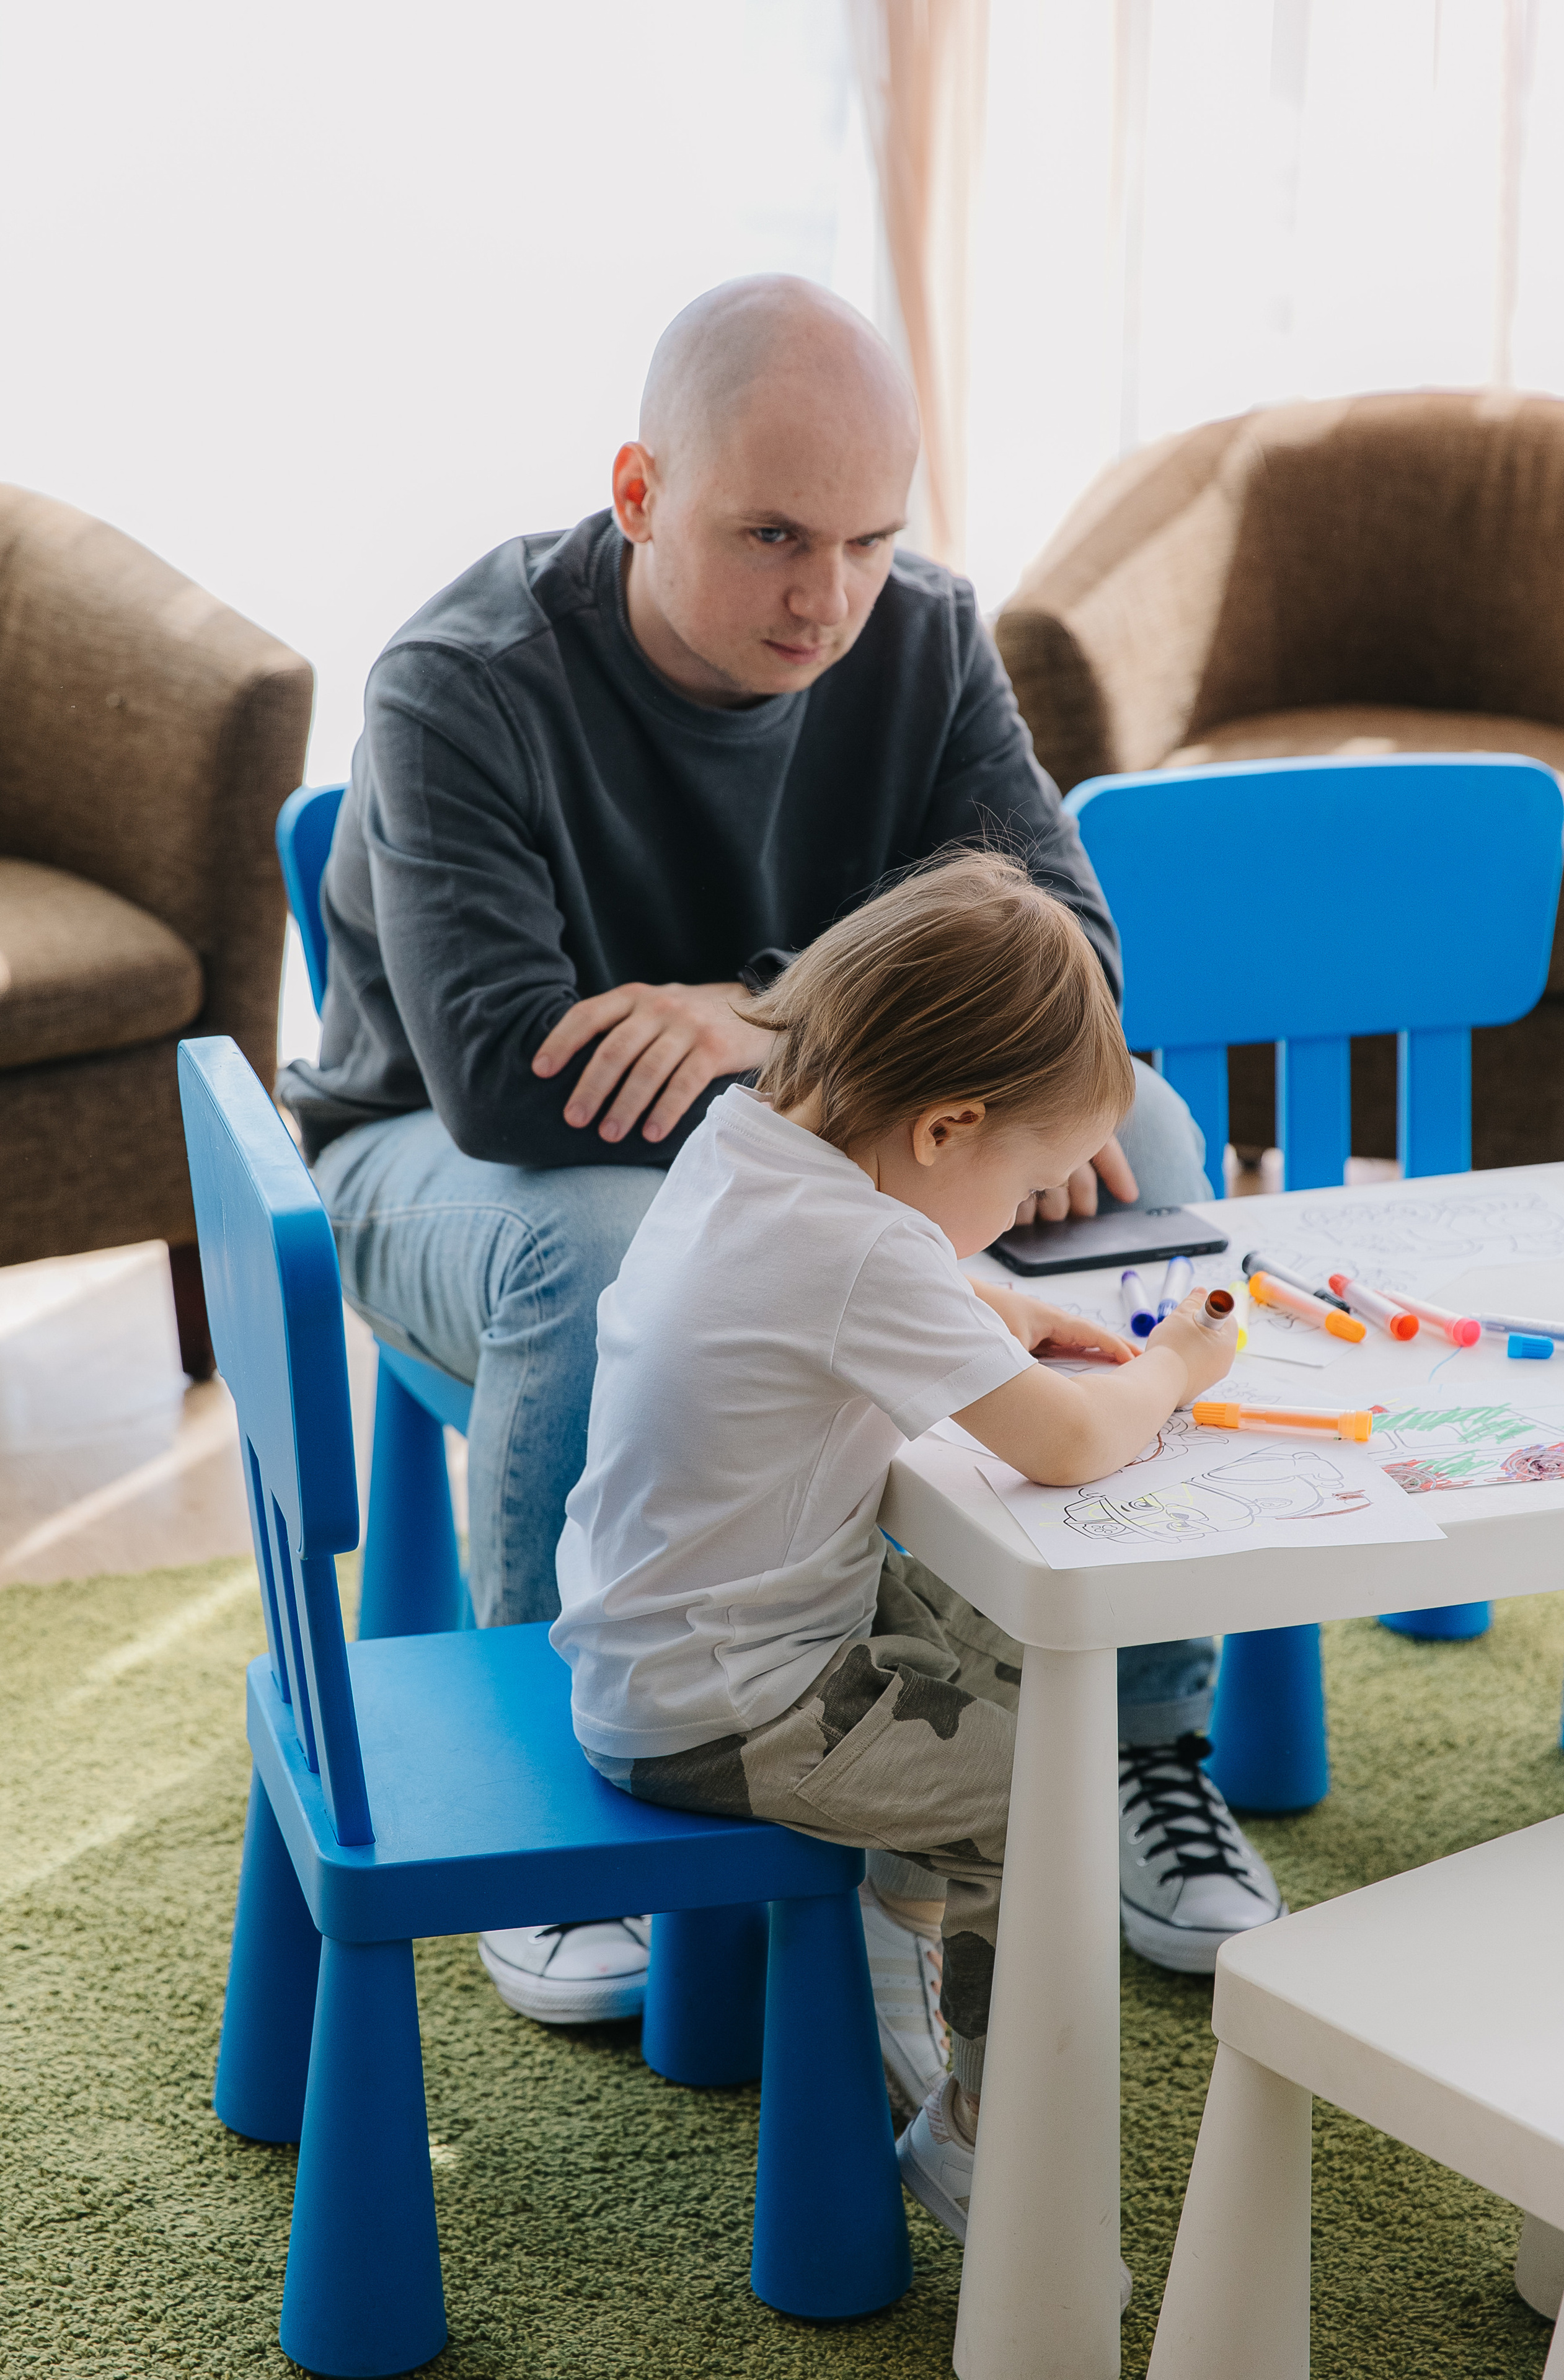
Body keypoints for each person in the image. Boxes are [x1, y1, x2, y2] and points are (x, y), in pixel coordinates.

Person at [277, 273, 1277, 2050]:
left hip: (795, 1135)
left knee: (1143, 1128)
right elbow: (512, 1082)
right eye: (774, 537)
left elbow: (1081, 971)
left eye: (871, 539)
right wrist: (841, 1071)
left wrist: (756, 1025)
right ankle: (565, 1811)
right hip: (446, 1165)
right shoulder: (457, 680)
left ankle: (1135, 1735)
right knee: (592, 1236)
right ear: (639, 489)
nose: (830, 598)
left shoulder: (924, 634)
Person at [549, 850, 1278, 2247]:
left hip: (664, 1637)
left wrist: (989, 1302)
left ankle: (898, 1924)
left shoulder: (747, 1139)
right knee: (1047, 1791)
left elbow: (869, 1276)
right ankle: (975, 2139)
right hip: (725, 1706)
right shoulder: (856, 1253)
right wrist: (1176, 1363)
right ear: (944, 1128)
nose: (1017, 1219)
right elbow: (1067, 1445)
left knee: (1004, 1639)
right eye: (1025, 1188)